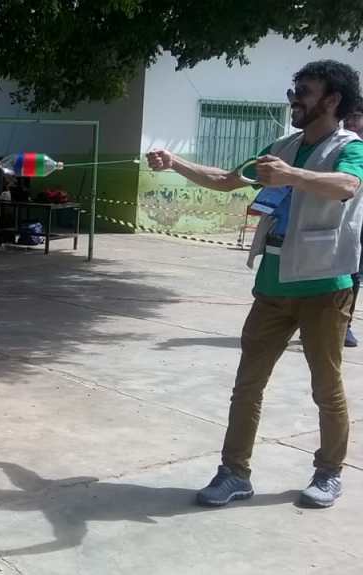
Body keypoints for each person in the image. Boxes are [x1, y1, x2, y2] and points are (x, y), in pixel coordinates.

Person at [147, 60, 363, 509]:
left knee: (326, 388)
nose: (294, 99)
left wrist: (292, 176)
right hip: (273, 284)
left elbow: (347, 185)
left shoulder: (350, 147)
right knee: (247, 384)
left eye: (304, 91)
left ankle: (328, 472)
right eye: (293, 91)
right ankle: (234, 473)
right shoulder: (282, 146)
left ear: (332, 100)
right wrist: (175, 162)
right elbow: (227, 180)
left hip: (324, 286)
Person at [342, 106, 363, 347]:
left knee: (354, 274)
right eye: (347, 117)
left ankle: (344, 324)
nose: (350, 122)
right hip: (340, 219)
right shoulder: (340, 145)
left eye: (355, 117)